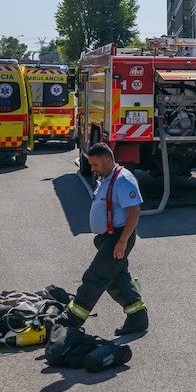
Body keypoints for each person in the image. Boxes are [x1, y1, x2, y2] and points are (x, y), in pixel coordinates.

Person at [58, 143, 148, 335]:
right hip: (107, 237)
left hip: (118, 237)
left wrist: (122, 241)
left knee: (95, 276)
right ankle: (137, 317)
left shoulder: (123, 179)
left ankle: (71, 320)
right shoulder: (107, 178)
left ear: (108, 160)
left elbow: (134, 211)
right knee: (117, 280)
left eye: (96, 164)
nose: (93, 169)